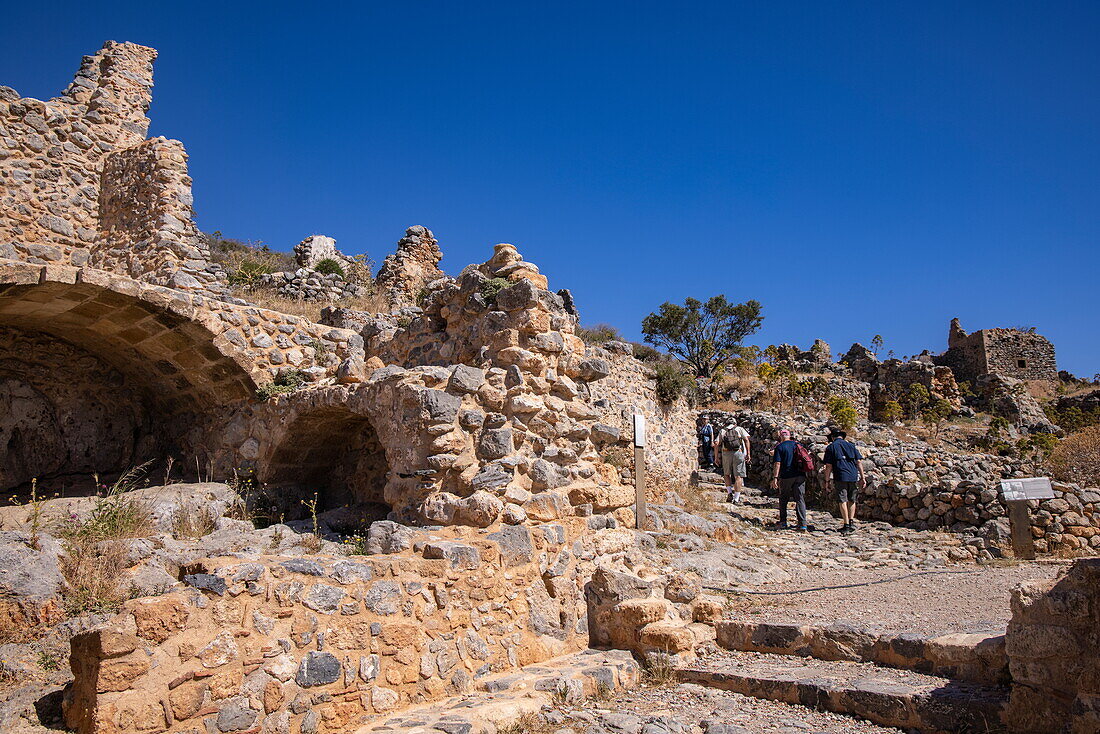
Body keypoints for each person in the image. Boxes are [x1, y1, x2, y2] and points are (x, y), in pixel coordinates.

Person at [823, 428, 865, 534]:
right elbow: (859, 462)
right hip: (853, 475)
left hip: (841, 475)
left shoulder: (831, 447)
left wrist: (827, 481)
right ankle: (851, 521)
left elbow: (828, 466)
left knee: (842, 499)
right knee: (852, 499)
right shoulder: (851, 446)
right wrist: (863, 477)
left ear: (832, 437)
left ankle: (846, 524)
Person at [770, 429, 807, 530]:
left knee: (783, 498)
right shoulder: (797, 445)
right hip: (800, 475)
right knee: (800, 499)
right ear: (790, 436)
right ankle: (803, 524)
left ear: (781, 437)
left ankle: (783, 522)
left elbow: (777, 463)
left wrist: (775, 478)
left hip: (787, 475)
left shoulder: (780, 447)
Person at [715, 421, 750, 503]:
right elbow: (747, 440)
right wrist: (748, 454)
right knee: (738, 476)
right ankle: (736, 498)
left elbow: (716, 443)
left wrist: (716, 457)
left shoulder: (723, 431)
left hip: (726, 453)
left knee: (727, 474)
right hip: (738, 453)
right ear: (735, 423)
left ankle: (730, 493)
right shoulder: (739, 429)